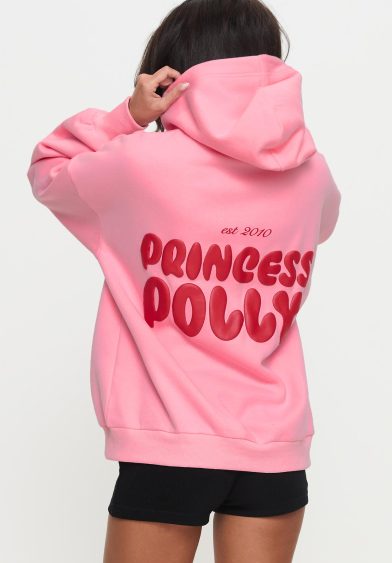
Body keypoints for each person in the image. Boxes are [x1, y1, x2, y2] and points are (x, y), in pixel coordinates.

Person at [26, 0, 342, 561]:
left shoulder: (140, 164)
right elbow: (320, 228)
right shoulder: (313, 174)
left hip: (168, 443)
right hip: (274, 446)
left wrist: (127, 117)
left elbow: (49, 170)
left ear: (175, 70)